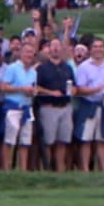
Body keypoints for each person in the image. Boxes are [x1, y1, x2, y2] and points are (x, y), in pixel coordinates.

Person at [74, 37, 104, 172]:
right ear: (90, 49)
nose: (98, 49)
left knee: (102, 140)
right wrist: (96, 89)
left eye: (101, 46)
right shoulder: (84, 67)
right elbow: (80, 88)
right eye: (95, 46)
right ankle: (85, 170)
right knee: (86, 140)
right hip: (88, 105)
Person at [36, 37, 76, 171]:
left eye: (58, 46)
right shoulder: (42, 68)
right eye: (52, 46)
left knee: (62, 141)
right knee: (48, 141)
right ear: (49, 49)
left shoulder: (67, 68)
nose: (55, 48)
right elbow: (36, 88)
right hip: (49, 107)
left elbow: (74, 85)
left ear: (62, 49)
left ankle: (60, 169)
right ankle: (47, 168)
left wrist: (74, 90)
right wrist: (50, 92)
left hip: (65, 107)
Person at [0, 42, 37, 171]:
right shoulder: (12, 68)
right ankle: (6, 168)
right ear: (21, 54)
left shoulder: (33, 72)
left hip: (27, 107)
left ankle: (23, 169)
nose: (29, 55)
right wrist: (21, 88)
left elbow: (32, 87)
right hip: (13, 107)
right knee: (9, 140)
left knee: (25, 141)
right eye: (27, 52)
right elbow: (3, 87)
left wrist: (32, 91)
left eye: (32, 52)